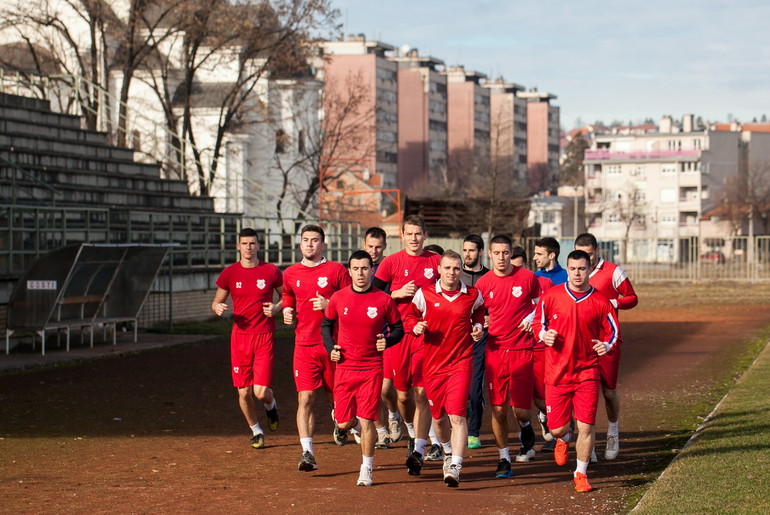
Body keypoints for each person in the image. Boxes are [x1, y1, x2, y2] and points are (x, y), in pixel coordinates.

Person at [532, 250, 620, 492]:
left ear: (589, 270)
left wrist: (606, 345)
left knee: (586, 426)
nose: (577, 273)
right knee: (557, 428)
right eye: (573, 269)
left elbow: (613, 331)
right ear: (567, 269)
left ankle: (580, 474)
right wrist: (543, 334)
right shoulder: (551, 296)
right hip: (557, 373)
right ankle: (563, 438)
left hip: (587, 373)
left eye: (582, 269)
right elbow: (538, 323)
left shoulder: (601, 301)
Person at [322, 250, 404, 486]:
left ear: (371, 270)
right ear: (350, 271)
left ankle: (366, 468)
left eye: (365, 268)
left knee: (368, 419)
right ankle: (350, 426)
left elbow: (398, 329)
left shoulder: (384, 299)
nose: (360, 273)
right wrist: (331, 348)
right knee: (343, 422)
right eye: (356, 269)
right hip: (345, 367)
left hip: (371, 367)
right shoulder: (338, 298)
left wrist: (387, 341)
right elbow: (326, 324)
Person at [403, 250, 485, 487]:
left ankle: (456, 465)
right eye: (447, 268)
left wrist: (478, 326)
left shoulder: (472, 294)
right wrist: (416, 326)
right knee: (438, 419)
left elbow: (479, 311)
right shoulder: (425, 293)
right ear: (439, 269)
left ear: (462, 270)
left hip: (461, 362)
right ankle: (447, 451)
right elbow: (410, 315)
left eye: (456, 269)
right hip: (433, 365)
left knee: (457, 415)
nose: (452, 273)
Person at [372, 214, 441, 476]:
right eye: (409, 234)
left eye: (418, 233)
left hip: (426, 334)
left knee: (423, 392)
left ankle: (430, 442)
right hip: (398, 335)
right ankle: (412, 432)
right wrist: (395, 294)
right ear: (402, 236)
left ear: (425, 235)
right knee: (402, 394)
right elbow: (373, 294)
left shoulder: (435, 262)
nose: (413, 238)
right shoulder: (391, 262)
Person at [282, 224, 352, 472]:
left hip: (333, 345)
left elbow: (351, 302)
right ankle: (307, 452)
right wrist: (287, 310)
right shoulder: (290, 273)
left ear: (323, 244)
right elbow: (288, 295)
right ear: (300, 244)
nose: (309, 244)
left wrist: (329, 303)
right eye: (305, 240)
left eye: (314, 240)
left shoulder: (336, 271)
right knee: (306, 398)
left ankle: (340, 424)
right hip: (304, 345)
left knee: (340, 402)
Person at [475, 235, 543, 478]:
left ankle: (526, 427)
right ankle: (503, 458)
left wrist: (531, 318)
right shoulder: (482, 284)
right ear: (489, 255)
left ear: (511, 253)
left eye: (505, 253)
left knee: (521, 411)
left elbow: (543, 305)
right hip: (495, 353)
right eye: (497, 253)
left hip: (523, 351)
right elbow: (477, 316)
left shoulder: (527, 277)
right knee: (498, 410)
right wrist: (478, 326)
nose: (501, 258)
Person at [211, 228, 283, 449]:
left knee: (261, 392)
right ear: (238, 246)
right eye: (244, 244)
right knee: (243, 391)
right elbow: (216, 301)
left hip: (263, 336)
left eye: (252, 243)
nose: (248, 248)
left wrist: (277, 308)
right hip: (240, 338)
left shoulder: (270, 271)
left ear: (258, 246)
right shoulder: (230, 273)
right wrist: (218, 307)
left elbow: (286, 296)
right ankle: (256, 431)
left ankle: (271, 407)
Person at [574, 232, 639, 460]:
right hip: (581, 345)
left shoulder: (613, 271)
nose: (585, 260)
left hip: (608, 343)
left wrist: (611, 302)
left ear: (597, 251)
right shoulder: (574, 273)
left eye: (589, 255)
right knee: (583, 394)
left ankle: (613, 430)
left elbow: (632, 298)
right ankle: (588, 443)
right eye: (581, 255)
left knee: (608, 392)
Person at [512, 246, 555, 449]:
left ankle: (550, 420)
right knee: (516, 405)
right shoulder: (501, 284)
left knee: (541, 398)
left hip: (538, 349)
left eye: (520, 268)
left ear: (527, 267)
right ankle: (526, 439)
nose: (516, 273)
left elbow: (552, 309)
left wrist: (533, 319)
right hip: (513, 349)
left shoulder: (545, 283)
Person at [364, 226, 402, 449]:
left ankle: (393, 414)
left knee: (386, 388)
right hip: (364, 336)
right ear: (364, 245)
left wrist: (393, 294)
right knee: (372, 388)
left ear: (385, 247)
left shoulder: (389, 266)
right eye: (370, 246)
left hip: (387, 333)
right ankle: (381, 433)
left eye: (378, 247)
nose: (374, 250)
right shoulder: (357, 266)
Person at [460, 234, 490, 451]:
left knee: (475, 389)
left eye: (471, 250)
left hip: (480, 338)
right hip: (456, 339)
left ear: (480, 252)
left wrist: (490, 318)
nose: (467, 254)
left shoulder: (488, 277)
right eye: (465, 250)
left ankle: (474, 432)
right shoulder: (454, 274)